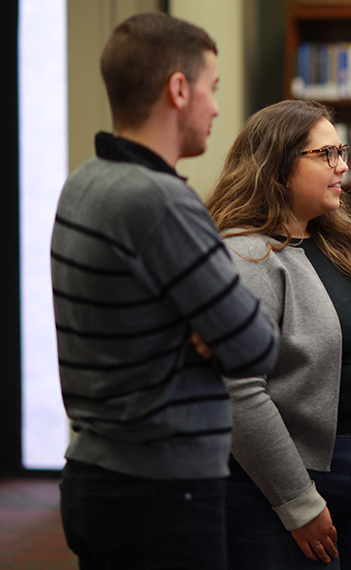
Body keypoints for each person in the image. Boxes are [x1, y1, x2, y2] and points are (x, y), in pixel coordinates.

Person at [51, 13, 280, 570]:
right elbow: (255, 345)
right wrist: (206, 330)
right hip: (161, 487)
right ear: (179, 89)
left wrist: (206, 328)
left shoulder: (84, 182)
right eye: (213, 88)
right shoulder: (161, 203)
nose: (218, 108)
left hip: (97, 473)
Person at [205, 99, 351, 570]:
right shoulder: (247, 256)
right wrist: (297, 501)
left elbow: (338, 348)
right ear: (277, 166)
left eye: (341, 151)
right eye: (325, 155)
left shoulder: (333, 243)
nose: (342, 166)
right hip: (288, 478)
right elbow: (238, 391)